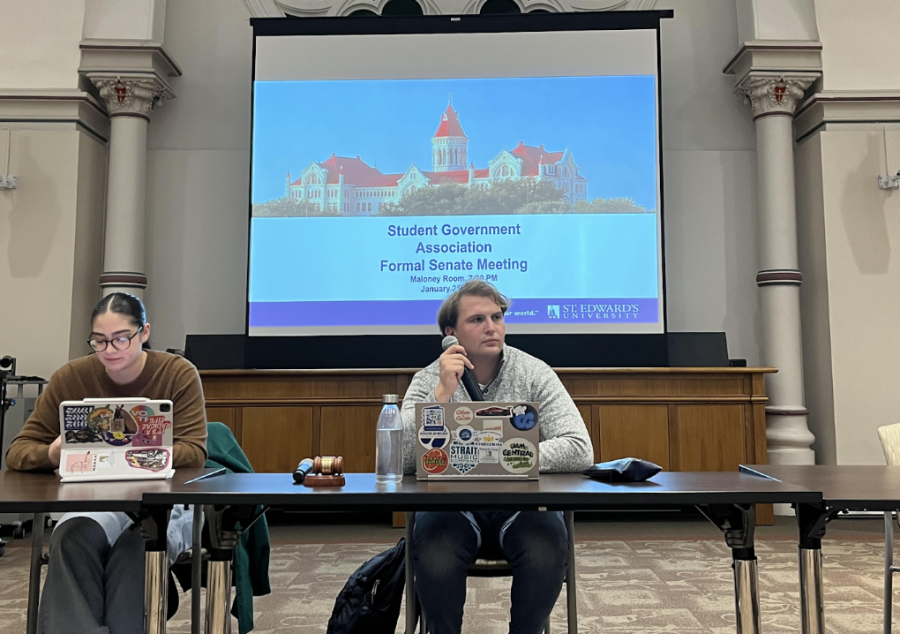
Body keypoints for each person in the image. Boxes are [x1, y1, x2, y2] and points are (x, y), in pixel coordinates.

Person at [6, 292, 208, 634]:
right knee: (70, 537)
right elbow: (18, 451)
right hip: (96, 498)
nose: (110, 350)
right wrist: (53, 453)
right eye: (99, 341)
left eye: (120, 339)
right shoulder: (71, 377)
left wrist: (133, 454)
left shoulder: (177, 373)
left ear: (144, 333)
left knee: (138, 547)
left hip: (162, 500)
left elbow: (194, 451)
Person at [400, 280, 593, 634]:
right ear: (451, 334)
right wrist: (441, 395)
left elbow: (579, 447)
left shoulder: (534, 372)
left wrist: (502, 456)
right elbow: (402, 460)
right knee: (435, 554)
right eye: (477, 320)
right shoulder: (430, 378)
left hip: (522, 506)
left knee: (547, 549)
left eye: (497, 317)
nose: (492, 327)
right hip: (451, 508)